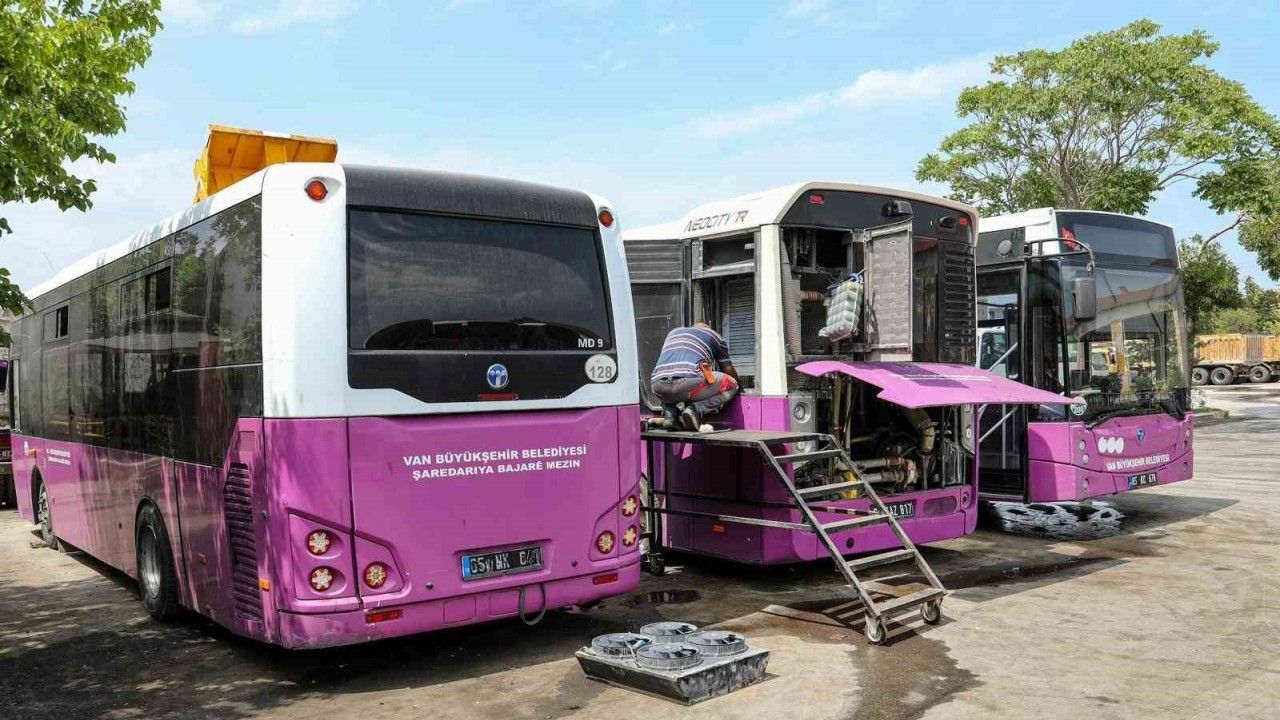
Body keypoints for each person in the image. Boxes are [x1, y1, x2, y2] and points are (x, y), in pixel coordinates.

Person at [650, 322, 740, 431]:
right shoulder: (714, 336)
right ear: (708, 329)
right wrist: (740, 385)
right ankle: (695, 410)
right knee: (733, 384)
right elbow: (727, 369)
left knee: (669, 378)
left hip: (657, 387)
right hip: (688, 384)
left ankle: (670, 415)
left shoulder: (673, 333)